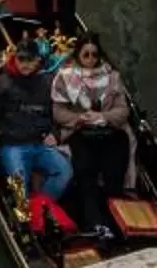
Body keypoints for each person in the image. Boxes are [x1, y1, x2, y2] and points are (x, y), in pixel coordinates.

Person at [0, 32, 74, 205]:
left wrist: (55, 134)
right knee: (19, 186)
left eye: (29, 60)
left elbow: (57, 114)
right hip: (11, 145)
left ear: (37, 60)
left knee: (64, 171)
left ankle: (40, 207)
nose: (25, 64)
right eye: (21, 59)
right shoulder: (1, 82)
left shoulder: (47, 82)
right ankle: (25, 214)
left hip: (40, 144)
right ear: (15, 59)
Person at [52, 36, 133, 234]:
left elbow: (123, 111)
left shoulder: (113, 77)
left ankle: (116, 223)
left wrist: (102, 116)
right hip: (80, 132)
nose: (90, 59)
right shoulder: (64, 77)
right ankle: (94, 223)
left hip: (110, 132)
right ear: (78, 55)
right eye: (86, 55)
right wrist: (80, 118)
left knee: (113, 176)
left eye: (94, 55)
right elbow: (58, 113)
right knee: (86, 174)